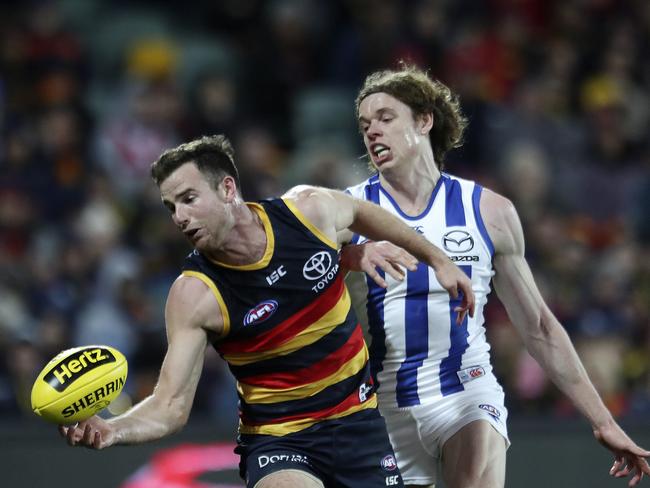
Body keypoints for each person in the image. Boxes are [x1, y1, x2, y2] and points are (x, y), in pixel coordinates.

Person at [59, 134, 476, 488]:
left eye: (188, 199)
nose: (180, 217)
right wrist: (113, 429)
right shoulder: (195, 295)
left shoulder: (307, 213)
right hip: (279, 442)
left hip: (359, 423)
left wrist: (435, 259)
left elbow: (365, 212)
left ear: (226, 189)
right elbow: (170, 407)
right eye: (171, 207)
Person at [339, 65, 650, 488]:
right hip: (385, 407)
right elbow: (288, 273)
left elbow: (538, 325)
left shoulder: (489, 211)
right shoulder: (347, 211)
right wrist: (352, 256)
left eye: (386, 118)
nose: (372, 131)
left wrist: (603, 420)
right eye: (364, 125)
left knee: (474, 432)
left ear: (424, 120)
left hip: (467, 389)